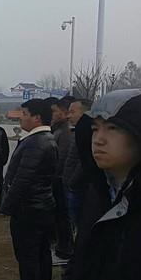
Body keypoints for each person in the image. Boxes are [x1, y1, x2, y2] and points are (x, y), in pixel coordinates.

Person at [58, 90, 141, 280]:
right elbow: (80, 260)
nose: (99, 139)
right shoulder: (100, 192)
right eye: (95, 129)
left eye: (113, 128)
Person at [0, 99, 57, 280]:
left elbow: (22, 180)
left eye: (24, 113)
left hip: (29, 209)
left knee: (28, 255)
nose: (20, 117)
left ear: (37, 117)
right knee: (40, 252)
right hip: (41, 206)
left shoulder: (36, 143)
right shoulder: (46, 139)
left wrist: (6, 206)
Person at [50, 98, 74, 265]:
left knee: (63, 217)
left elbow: (62, 158)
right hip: (57, 179)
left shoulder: (65, 132)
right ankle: (61, 247)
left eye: (55, 111)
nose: (52, 114)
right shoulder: (58, 129)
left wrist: (54, 175)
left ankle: (65, 251)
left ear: (63, 113)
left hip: (60, 180)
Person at [61, 98, 92, 230]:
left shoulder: (89, 134)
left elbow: (83, 162)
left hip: (79, 189)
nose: (68, 116)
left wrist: (72, 183)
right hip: (72, 187)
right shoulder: (77, 132)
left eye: (72, 112)